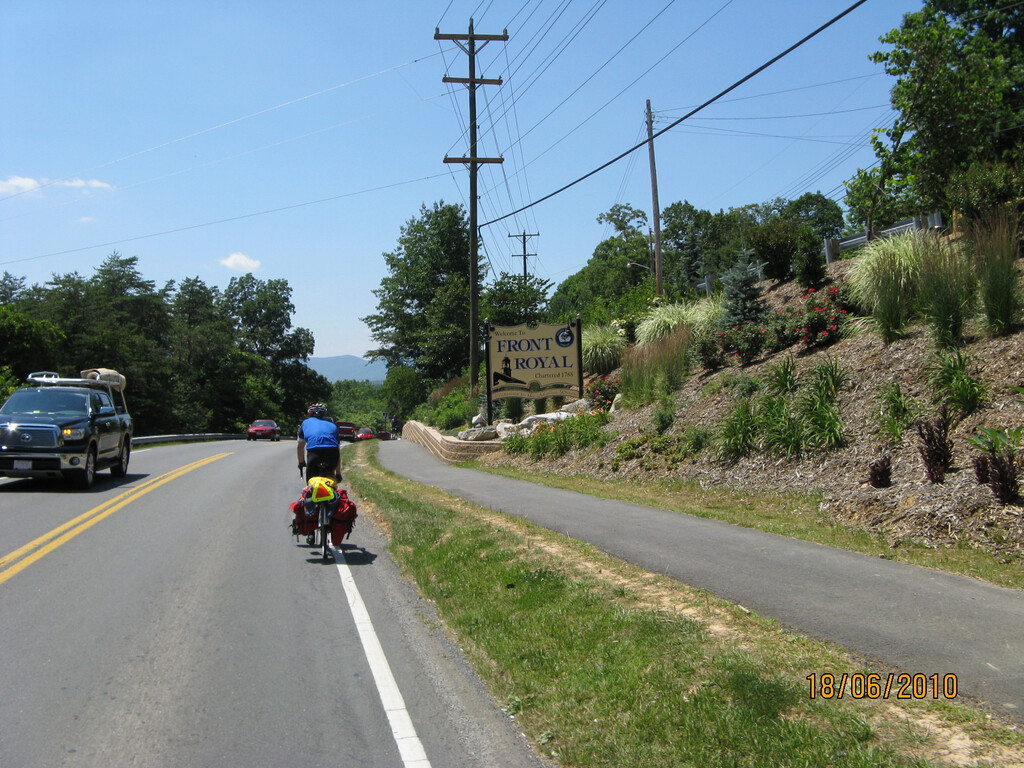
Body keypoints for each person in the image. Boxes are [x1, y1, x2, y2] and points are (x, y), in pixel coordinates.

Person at [297, 403, 341, 482]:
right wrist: (338, 473)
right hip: (332, 452)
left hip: (314, 453)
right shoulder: (333, 425)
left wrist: (301, 462)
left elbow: (300, 446)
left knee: (311, 481)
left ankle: (311, 488)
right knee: (331, 478)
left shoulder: (305, 423)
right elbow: (337, 449)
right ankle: (333, 486)